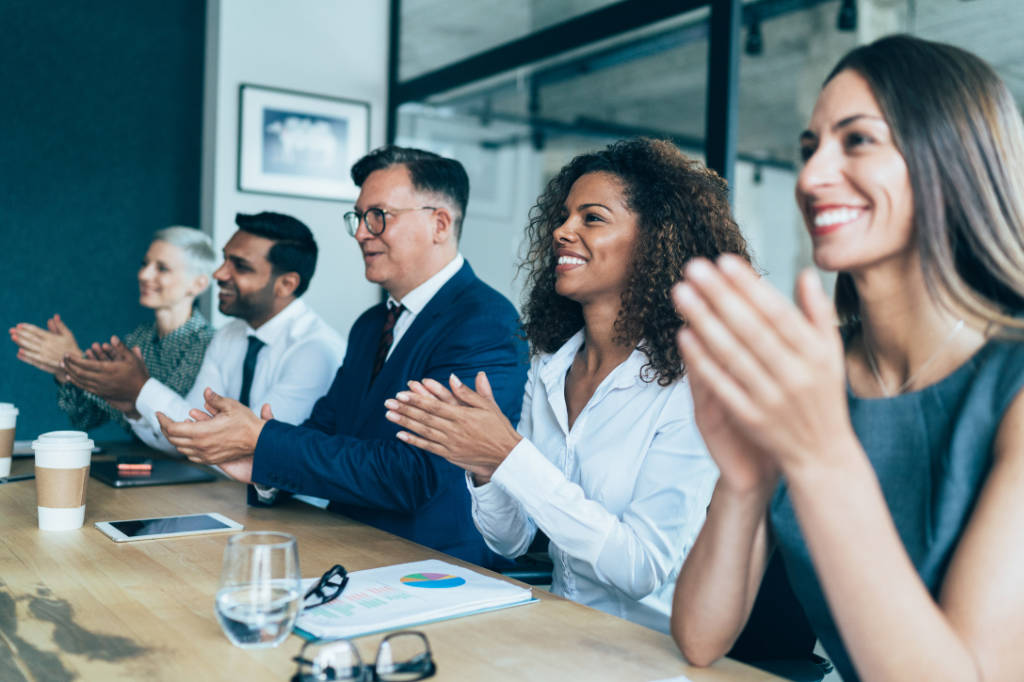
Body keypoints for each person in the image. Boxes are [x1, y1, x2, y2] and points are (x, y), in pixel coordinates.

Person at [670, 35, 1024, 682]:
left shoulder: (1014, 387)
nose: (809, 178)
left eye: (857, 140)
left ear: (953, 158)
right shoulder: (814, 372)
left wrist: (820, 455)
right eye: (809, 150)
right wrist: (744, 479)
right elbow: (699, 637)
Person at [384, 138, 749, 632]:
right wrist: (486, 467)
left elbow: (641, 569)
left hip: (646, 655)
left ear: (655, 239)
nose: (562, 230)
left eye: (591, 218)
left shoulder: (692, 387)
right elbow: (510, 540)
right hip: (557, 634)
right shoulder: (550, 369)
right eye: (563, 216)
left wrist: (510, 455)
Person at [156, 146, 529, 568]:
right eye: (359, 217)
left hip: (431, 568)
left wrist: (263, 441)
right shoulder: (371, 324)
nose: (361, 233)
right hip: (343, 549)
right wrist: (261, 464)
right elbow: (327, 428)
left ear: (438, 223)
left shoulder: (485, 323)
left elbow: (417, 475)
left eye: (379, 216)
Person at [62, 212, 346, 460]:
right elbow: (190, 435)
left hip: (296, 515)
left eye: (241, 266)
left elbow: (245, 447)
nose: (219, 274)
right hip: (224, 498)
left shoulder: (314, 350)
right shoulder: (229, 336)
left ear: (286, 284)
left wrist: (140, 389)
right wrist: (133, 408)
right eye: (224, 260)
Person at [9, 226, 216, 432]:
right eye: (145, 264)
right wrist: (67, 370)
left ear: (198, 284)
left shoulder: (209, 345)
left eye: (162, 268)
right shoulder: (138, 339)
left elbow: (167, 420)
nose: (144, 274)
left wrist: (79, 363)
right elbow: (86, 418)